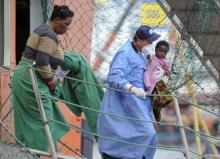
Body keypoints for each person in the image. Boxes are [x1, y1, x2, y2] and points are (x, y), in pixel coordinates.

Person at [12, 5, 74, 151]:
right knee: (45, 122)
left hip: (24, 75)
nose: (67, 29)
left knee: (29, 121)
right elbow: (41, 62)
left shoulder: (42, 29)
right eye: (65, 24)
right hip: (31, 78)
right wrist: (51, 82)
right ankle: (41, 153)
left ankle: (28, 152)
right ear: (57, 20)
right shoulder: (49, 34)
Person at [97, 25, 160, 159]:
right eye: (149, 41)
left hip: (138, 105)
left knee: (149, 137)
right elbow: (114, 76)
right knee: (147, 133)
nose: (151, 43)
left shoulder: (141, 53)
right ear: (139, 41)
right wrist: (131, 88)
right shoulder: (124, 53)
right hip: (125, 103)